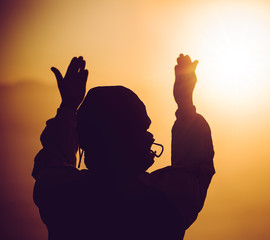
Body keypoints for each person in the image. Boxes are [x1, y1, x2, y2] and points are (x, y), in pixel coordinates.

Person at [32, 54, 215, 240]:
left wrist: (68, 107)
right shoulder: (167, 199)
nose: (150, 137)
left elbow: (51, 162)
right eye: (142, 129)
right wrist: (185, 104)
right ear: (122, 141)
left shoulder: (62, 198)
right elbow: (195, 166)